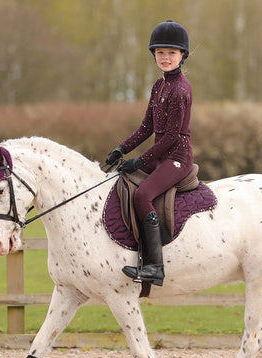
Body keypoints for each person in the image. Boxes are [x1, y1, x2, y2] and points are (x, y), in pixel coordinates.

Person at [105, 20, 194, 287]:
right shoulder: (159, 86)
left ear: (182, 56)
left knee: (143, 194)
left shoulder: (180, 90)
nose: (165, 58)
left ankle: (155, 266)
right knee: (122, 182)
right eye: (160, 53)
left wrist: (139, 161)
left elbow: (169, 137)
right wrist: (121, 148)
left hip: (177, 157)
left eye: (171, 53)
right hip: (161, 155)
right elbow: (147, 127)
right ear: (154, 55)